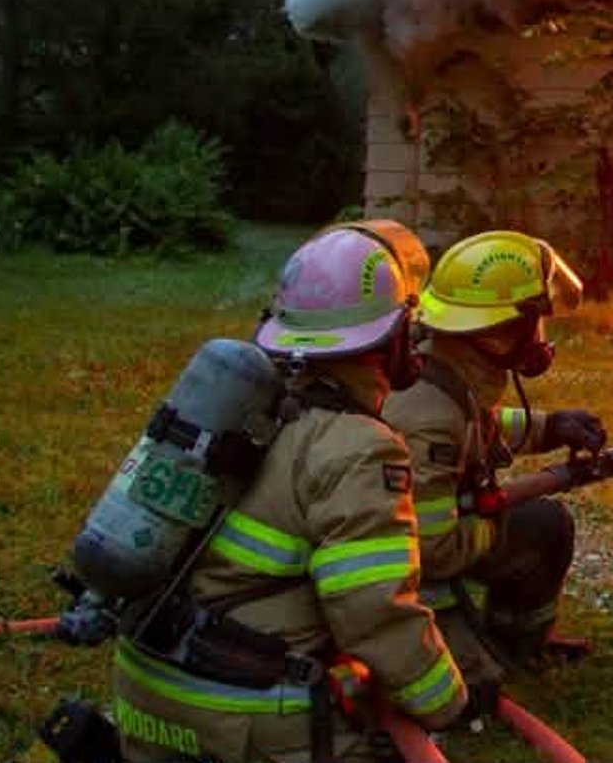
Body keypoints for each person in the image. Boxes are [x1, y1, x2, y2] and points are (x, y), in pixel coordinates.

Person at [111, 222, 468, 762]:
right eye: (407, 324)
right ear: (388, 337)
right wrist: (446, 702)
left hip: (145, 696)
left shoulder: (240, 408)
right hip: (237, 720)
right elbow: (374, 611)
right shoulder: (360, 448)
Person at [382, 229, 606, 694]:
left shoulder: (445, 360)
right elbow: (432, 550)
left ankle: (511, 637)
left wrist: (551, 427)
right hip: (404, 572)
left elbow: (479, 426)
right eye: (533, 324)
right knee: (546, 526)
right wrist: (491, 523)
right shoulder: (430, 419)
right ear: (500, 333)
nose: (539, 339)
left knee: (541, 522)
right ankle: (507, 641)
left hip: (414, 546)